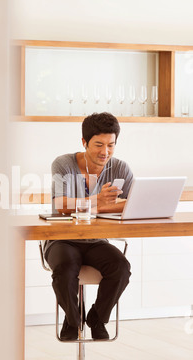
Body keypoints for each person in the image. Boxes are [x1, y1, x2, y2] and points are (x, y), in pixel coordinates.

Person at [44, 112, 133, 341]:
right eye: (98, 145)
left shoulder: (121, 169)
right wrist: (99, 202)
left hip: (96, 240)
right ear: (84, 142)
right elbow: (60, 205)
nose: (105, 152)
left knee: (121, 267)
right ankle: (73, 320)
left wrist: (93, 207)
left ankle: (97, 317)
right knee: (65, 268)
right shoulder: (64, 164)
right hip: (61, 239)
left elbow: (132, 204)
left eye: (111, 145)